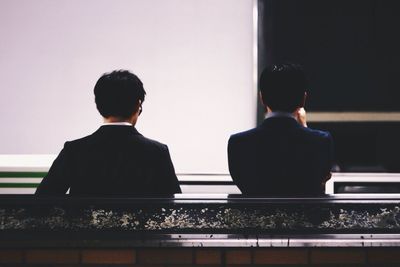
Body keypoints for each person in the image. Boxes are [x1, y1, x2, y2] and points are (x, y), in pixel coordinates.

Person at [36, 70, 181, 196]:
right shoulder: (157, 152)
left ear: (99, 105)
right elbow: (176, 209)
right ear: (138, 105)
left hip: (86, 228)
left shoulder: (74, 150)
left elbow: (43, 200)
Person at [228, 63, 333, 196]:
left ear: (262, 98)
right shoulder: (321, 141)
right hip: (304, 216)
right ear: (303, 99)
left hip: (255, 216)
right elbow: (315, 187)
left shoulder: (238, 143)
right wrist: (304, 128)